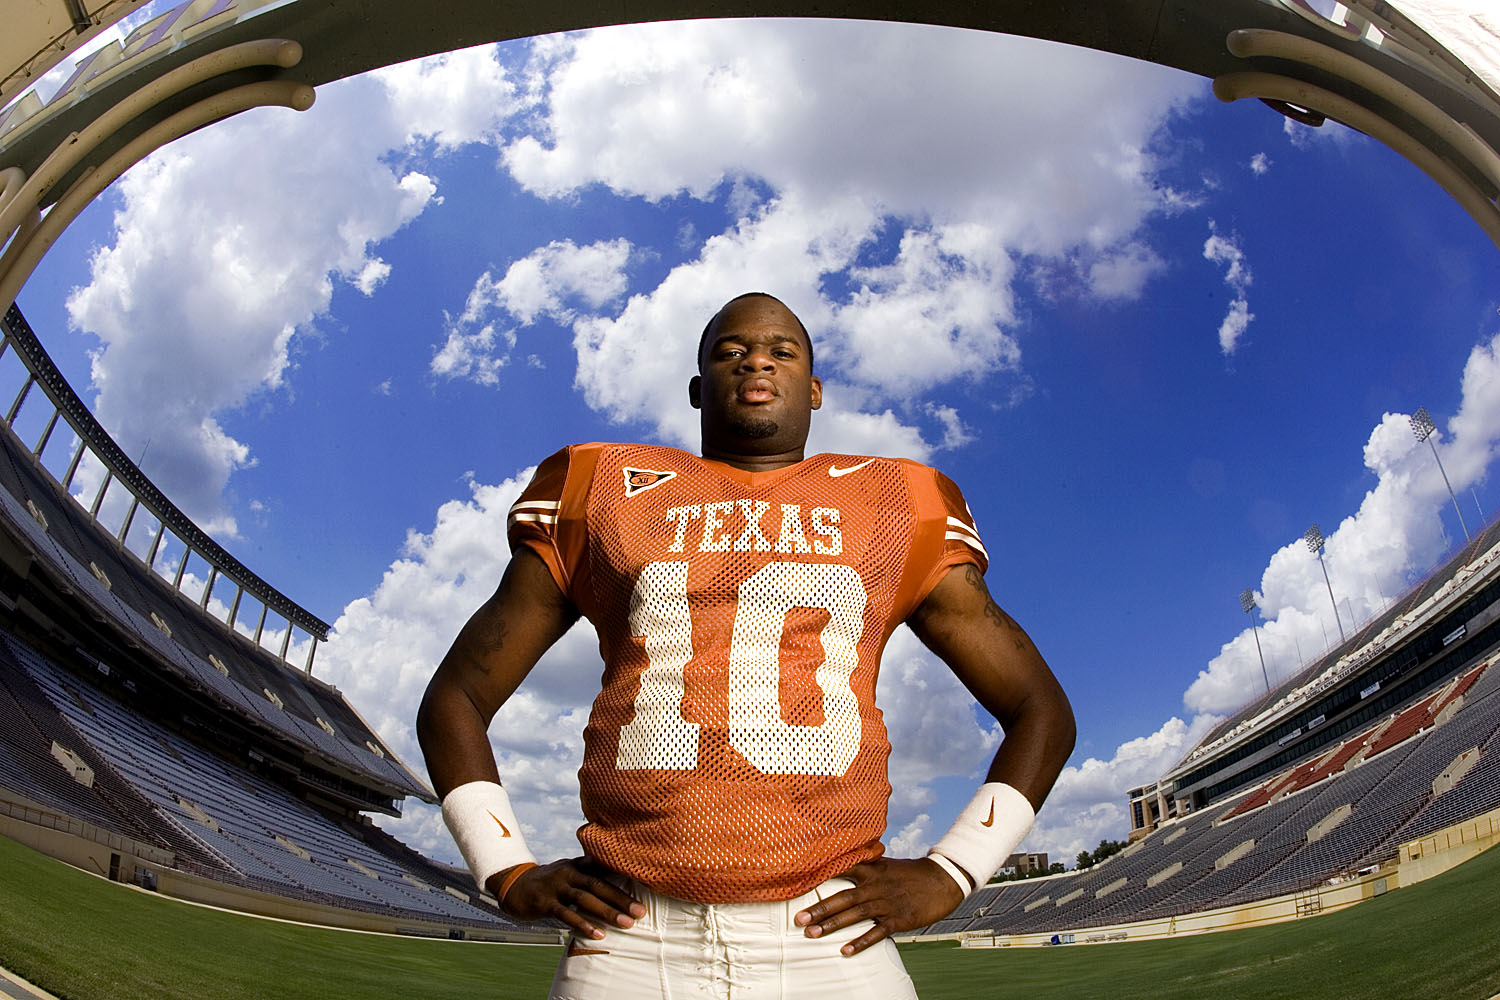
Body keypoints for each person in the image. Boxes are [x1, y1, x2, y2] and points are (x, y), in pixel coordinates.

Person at [417, 292, 1075, 998]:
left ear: (814, 390)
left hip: (830, 934)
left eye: (781, 350)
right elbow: (456, 696)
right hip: (634, 936)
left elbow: (1040, 709)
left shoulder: (898, 500)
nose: (756, 359)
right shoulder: (599, 481)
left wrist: (956, 868)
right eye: (730, 350)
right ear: (700, 387)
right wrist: (505, 866)